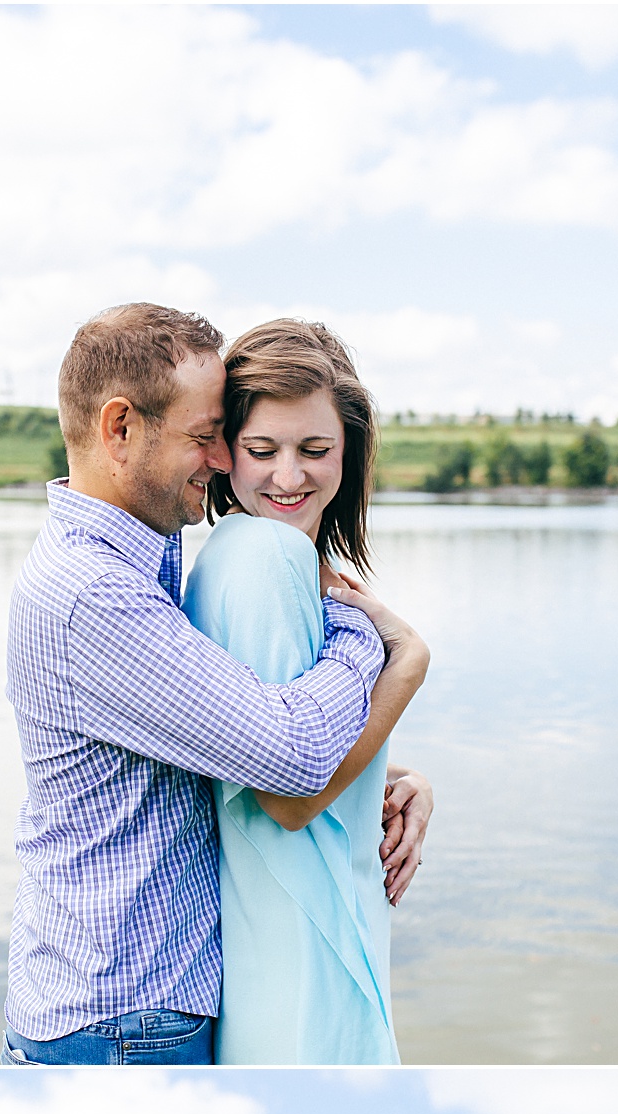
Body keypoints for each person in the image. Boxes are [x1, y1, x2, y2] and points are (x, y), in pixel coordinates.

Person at [0, 302, 432, 1067]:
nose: (226, 463)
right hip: (123, 1022)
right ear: (120, 427)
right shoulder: (97, 594)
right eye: (213, 439)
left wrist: (387, 776)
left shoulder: (151, 554)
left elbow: (221, 737)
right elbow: (291, 768)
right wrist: (384, 647)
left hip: (126, 1008)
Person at [182, 320, 431, 1065]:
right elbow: (289, 798)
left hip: (289, 944)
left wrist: (393, 779)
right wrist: (409, 666)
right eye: (263, 451)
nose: (288, 475)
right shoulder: (268, 556)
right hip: (307, 956)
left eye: (315, 450)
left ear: (348, 452)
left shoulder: (235, 556)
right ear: (226, 453)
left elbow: (276, 760)